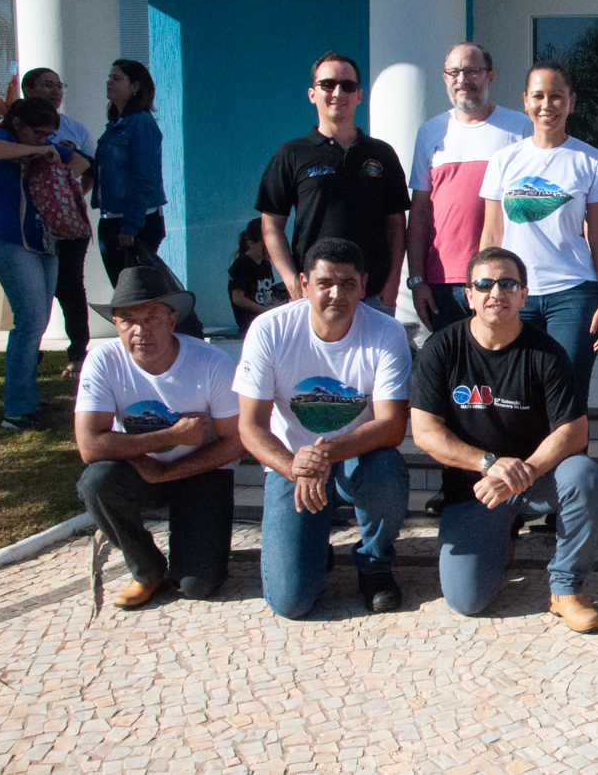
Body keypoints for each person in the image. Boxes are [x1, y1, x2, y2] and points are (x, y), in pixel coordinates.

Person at [411, 247, 598, 629]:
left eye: (508, 284)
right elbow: (425, 432)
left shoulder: (547, 353)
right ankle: (502, 538)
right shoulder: (441, 348)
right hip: (476, 489)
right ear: (469, 295)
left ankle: (566, 589)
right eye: (484, 284)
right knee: (467, 601)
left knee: (583, 475)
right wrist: (489, 464)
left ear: (523, 295)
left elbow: (574, 431)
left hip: (537, 479)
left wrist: (524, 471)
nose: (496, 292)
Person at [234, 238, 412, 619]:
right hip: (291, 463)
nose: (337, 294)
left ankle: (374, 563)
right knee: (292, 601)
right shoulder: (269, 330)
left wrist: (324, 454)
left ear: (363, 285)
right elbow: (250, 426)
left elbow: (392, 426)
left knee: (387, 469)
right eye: (325, 283)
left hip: (356, 458)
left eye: (348, 283)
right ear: (303, 284)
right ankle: (313, 545)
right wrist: (293, 466)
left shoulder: (387, 333)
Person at [74, 267, 244, 608]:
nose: (141, 331)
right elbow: (90, 446)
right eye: (128, 320)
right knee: (96, 482)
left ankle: (190, 553)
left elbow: (235, 441)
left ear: (172, 319)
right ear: (116, 324)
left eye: (151, 318)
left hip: (202, 471)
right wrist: (172, 435)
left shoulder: (211, 362)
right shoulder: (102, 361)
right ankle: (147, 569)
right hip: (142, 470)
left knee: (198, 585)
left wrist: (166, 470)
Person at [478, 60, 598, 408]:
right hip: (513, 294)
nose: (547, 105)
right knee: (515, 395)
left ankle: (571, 449)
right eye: (538, 96)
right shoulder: (503, 160)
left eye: (556, 96)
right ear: (525, 100)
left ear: (571, 101)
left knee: (567, 393)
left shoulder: (591, 160)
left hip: (573, 295)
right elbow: (492, 234)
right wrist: (481, 289)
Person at [256, 51, 410, 318]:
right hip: (314, 295)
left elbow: (396, 224)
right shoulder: (291, 154)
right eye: (328, 84)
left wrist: (393, 281)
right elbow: (271, 225)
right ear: (312, 94)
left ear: (359, 95)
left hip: (373, 295)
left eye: (348, 86)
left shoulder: (382, 154)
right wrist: (292, 280)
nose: (338, 92)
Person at [406, 43, 532, 332]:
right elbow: (420, 213)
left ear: (490, 76)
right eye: (454, 72)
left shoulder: (521, 128)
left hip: (502, 280)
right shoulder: (430, 132)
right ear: (445, 78)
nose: (462, 79)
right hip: (443, 283)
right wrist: (417, 280)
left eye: (472, 71)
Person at [0, 98, 85, 430]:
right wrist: (36, 152)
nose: (45, 140)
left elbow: (82, 162)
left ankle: (26, 399)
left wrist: (54, 168)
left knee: (37, 323)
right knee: (29, 321)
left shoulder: (42, 146)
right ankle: (16, 411)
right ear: (18, 125)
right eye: (38, 133)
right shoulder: (0, 137)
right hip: (7, 239)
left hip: (43, 240)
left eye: (48, 135)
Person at [90, 60, 202, 336]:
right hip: (111, 219)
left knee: (139, 293)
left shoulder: (140, 123)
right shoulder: (114, 125)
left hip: (134, 223)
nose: (109, 82)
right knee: (127, 291)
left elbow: (143, 176)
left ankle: (179, 334)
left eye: (117, 78)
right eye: (109, 77)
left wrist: (130, 226)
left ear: (135, 86)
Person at [22, 67, 94, 379]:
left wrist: (66, 201)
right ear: (28, 89)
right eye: (47, 85)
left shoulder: (75, 129)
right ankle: (29, 354)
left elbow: (90, 168)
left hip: (67, 227)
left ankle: (77, 355)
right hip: (27, 226)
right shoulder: (13, 129)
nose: (55, 91)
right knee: (31, 293)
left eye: (59, 85)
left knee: (70, 288)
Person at [229, 218, 289, 336]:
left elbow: (267, 291)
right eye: (265, 243)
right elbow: (237, 298)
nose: (270, 247)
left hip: (265, 316)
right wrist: (265, 311)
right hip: (250, 322)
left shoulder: (265, 264)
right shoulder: (243, 265)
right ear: (251, 244)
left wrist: (278, 305)